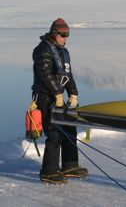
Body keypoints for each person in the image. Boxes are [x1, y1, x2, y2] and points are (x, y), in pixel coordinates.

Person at [32, 18, 88, 184]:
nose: (65, 38)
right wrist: (57, 94)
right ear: (54, 34)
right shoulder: (42, 50)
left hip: (58, 97)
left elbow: (68, 75)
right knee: (54, 132)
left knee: (70, 129)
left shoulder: (64, 52)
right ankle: (49, 171)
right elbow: (45, 75)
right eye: (63, 35)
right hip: (45, 96)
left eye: (67, 35)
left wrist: (73, 93)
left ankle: (70, 165)